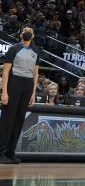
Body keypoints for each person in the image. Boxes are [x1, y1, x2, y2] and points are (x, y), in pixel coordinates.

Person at [0, 26, 39, 163]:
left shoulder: (36, 51)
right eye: (25, 30)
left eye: (30, 31)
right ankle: (1, 152)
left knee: (19, 120)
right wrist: (4, 92)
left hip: (28, 85)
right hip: (14, 83)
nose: (28, 32)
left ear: (33, 35)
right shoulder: (14, 49)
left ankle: (11, 152)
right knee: (8, 119)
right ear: (21, 34)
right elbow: (5, 72)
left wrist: (33, 93)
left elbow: (36, 74)